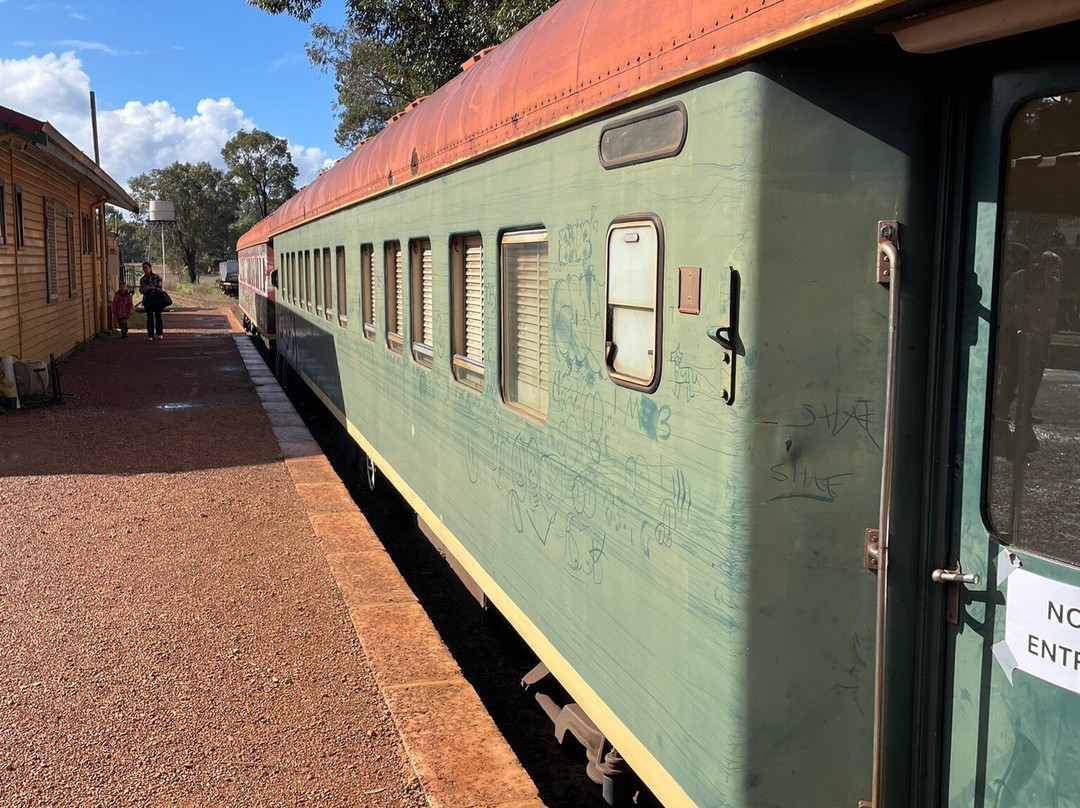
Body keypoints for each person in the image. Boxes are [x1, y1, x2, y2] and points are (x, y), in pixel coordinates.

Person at [139, 262, 165, 341]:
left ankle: (159, 333)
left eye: (146, 268)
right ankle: (150, 335)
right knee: (149, 317)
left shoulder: (157, 277)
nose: (145, 269)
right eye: (144, 268)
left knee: (158, 316)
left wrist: (150, 287)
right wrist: (143, 289)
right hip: (147, 299)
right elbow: (141, 289)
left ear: (150, 268)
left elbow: (159, 288)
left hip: (157, 299)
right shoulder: (143, 279)